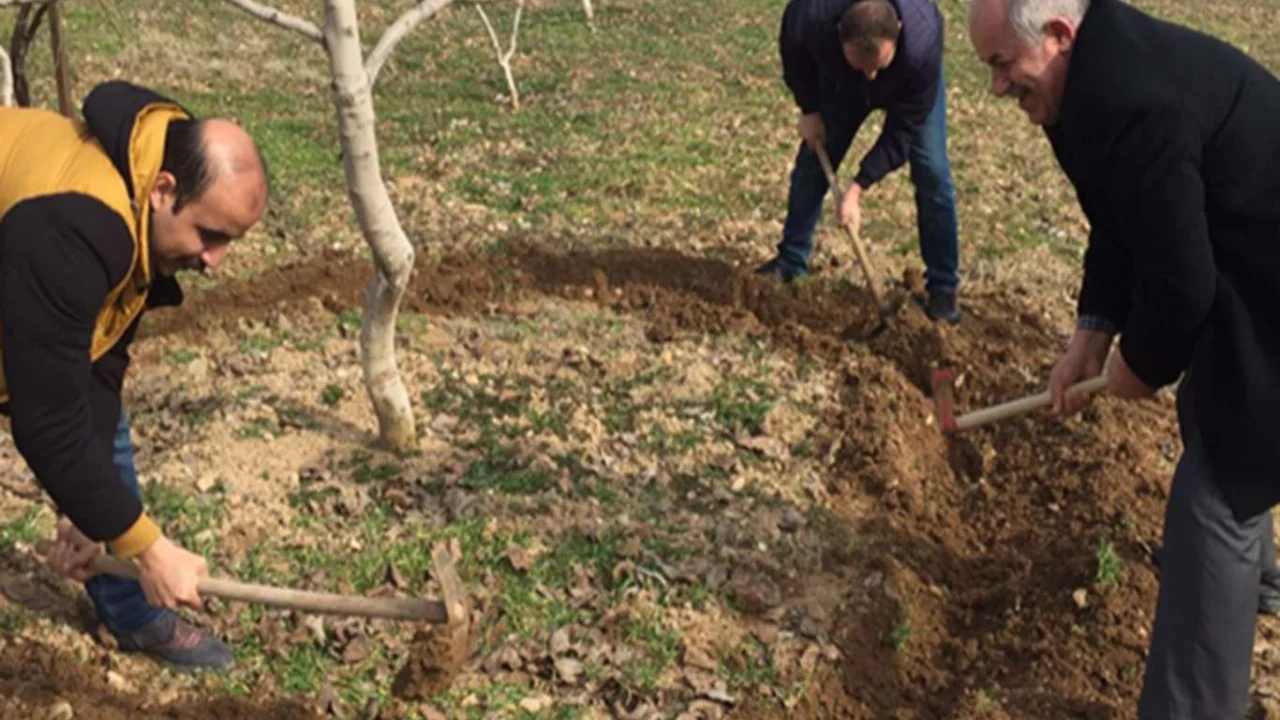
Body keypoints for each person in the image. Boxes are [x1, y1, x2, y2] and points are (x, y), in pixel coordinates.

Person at [968, 0, 1280, 716]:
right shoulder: (1084, 86)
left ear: (1057, 35)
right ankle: (1260, 584)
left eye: (1001, 65)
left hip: (1266, 280)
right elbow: (1118, 215)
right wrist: (1093, 333)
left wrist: (1139, 363)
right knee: (1217, 411)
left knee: (1214, 497)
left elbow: (1182, 287)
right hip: (1253, 261)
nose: (996, 86)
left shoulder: (1132, 100)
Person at [0, 80, 269, 670]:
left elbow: (97, 365)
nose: (214, 262)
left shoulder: (142, 188)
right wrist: (149, 549)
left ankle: (134, 618)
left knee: (104, 437)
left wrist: (90, 518)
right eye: (211, 235)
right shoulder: (77, 224)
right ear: (166, 191)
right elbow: (44, 423)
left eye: (231, 242)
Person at [759, 0, 962, 325]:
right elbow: (793, 51)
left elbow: (904, 131)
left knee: (933, 173)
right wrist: (809, 108)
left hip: (907, 83)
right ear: (838, 33)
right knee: (815, 160)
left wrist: (858, 187)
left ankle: (943, 288)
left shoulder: (922, 43)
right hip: (841, 87)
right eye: (861, 66)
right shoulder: (813, 16)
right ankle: (791, 260)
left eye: (878, 66)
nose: (870, 75)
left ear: (899, 31)